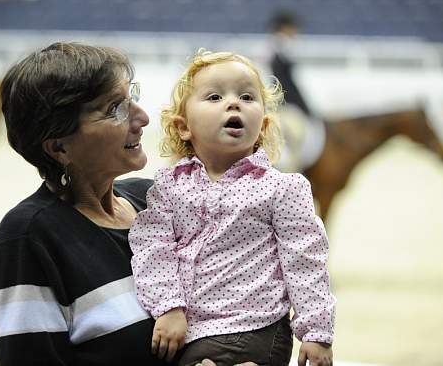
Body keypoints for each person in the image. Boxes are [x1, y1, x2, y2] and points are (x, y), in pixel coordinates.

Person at [0, 42, 258, 366]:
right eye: (114, 108)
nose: (142, 118)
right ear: (59, 147)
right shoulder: (28, 240)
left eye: (133, 98)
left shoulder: (155, 199)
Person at [129, 49, 336, 366]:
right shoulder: (168, 188)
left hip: (254, 327)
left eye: (247, 97)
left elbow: (306, 263)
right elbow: (153, 248)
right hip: (186, 329)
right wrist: (169, 307)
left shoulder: (282, 188)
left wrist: (316, 332)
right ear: (184, 127)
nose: (233, 102)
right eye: (214, 97)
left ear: (263, 125)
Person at [268, 10, 316, 119]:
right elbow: (284, 82)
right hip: (282, 101)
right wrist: (302, 105)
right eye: (293, 27)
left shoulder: (280, 47)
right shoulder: (280, 48)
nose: (295, 31)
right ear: (284, 28)